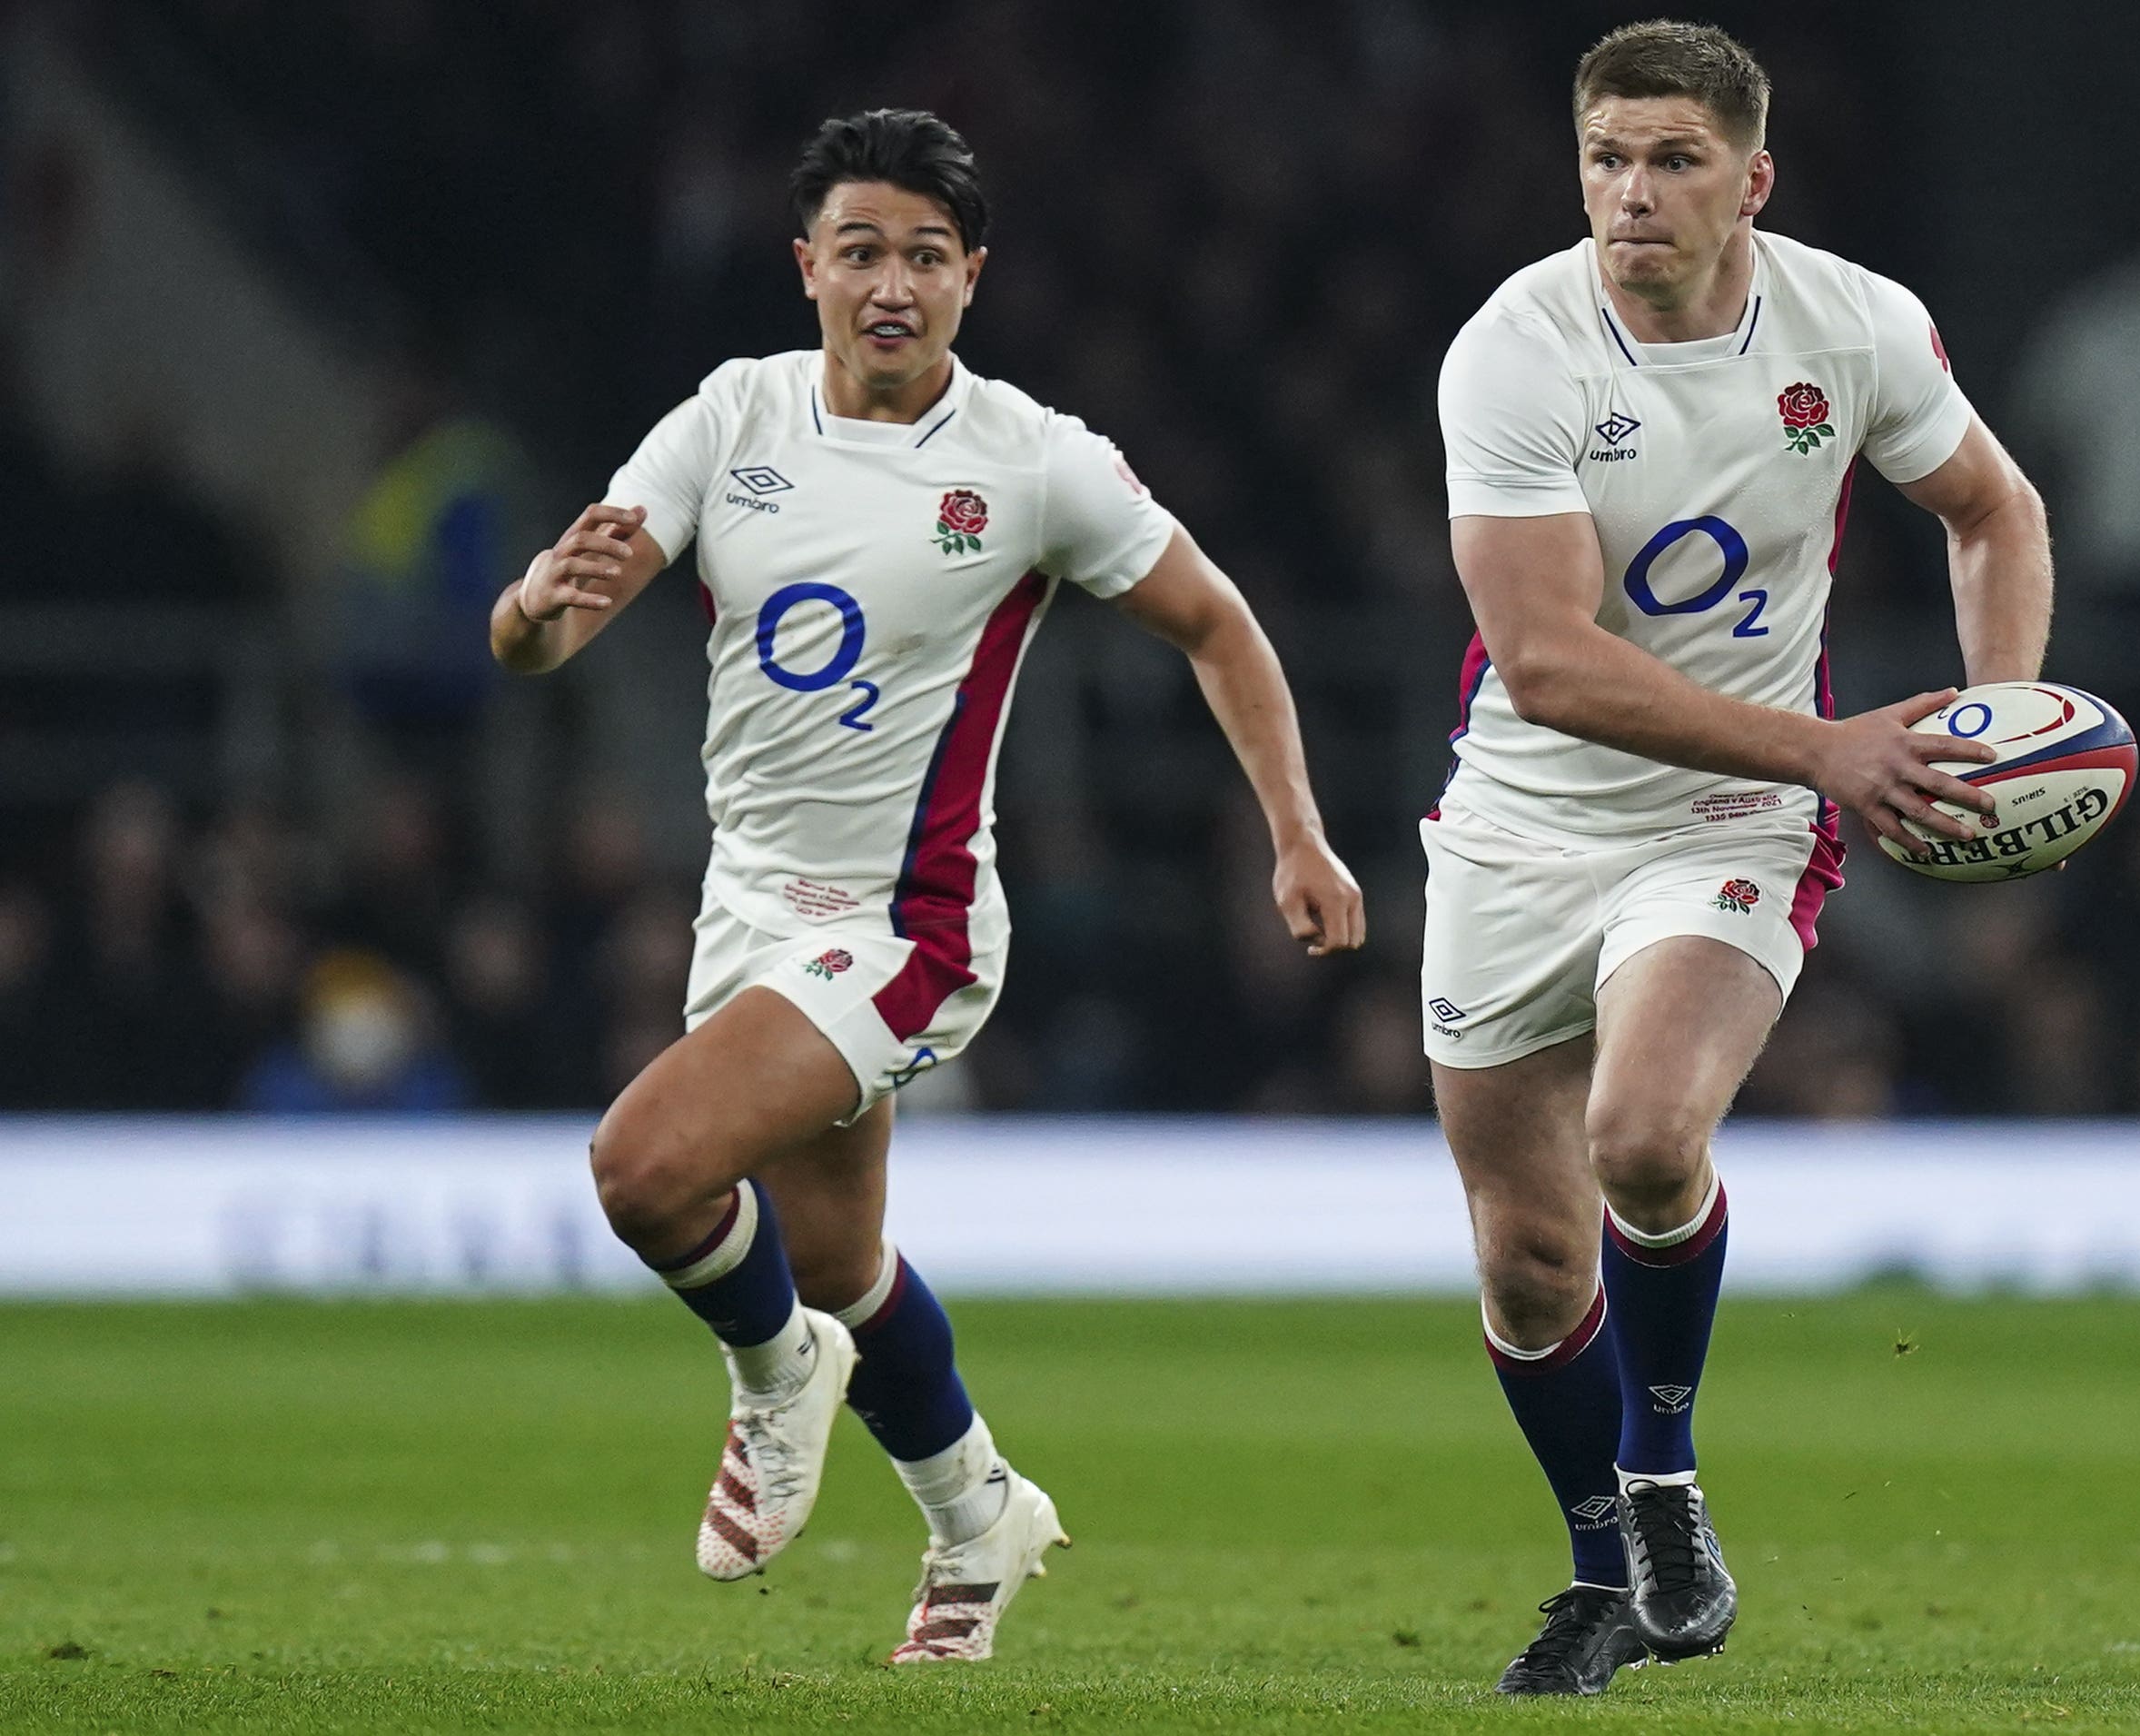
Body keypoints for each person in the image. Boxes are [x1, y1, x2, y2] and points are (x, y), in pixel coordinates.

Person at [489, 109, 1363, 1664]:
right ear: (807, 265)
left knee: (646, 1171)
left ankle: (772, 1391)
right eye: (861, 250)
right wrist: (524, 612)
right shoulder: (730, 419)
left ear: (972, 277)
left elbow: (1220, 624)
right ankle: (979, 1518)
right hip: (748, 908)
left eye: (925, 256)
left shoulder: (1032, 462)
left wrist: (1294, 830)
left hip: (905, 927)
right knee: (834, 1265)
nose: (890, 282)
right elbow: (561, 623)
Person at [1424, 22, 2050, 1694]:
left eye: (1673, 159)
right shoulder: (1513, 350)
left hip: (1730, 818)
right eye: (1606, 158)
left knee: (1642, 1135)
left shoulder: (1852, 326)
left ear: (1750, 179)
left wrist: (1999, 726)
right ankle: (1596, 1569)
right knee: (1525, 1254)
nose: (1631, 192)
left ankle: (1661, 1479)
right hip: (1523, 814)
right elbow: (1547, 665)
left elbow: (1991, 509)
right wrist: (1833, 749)